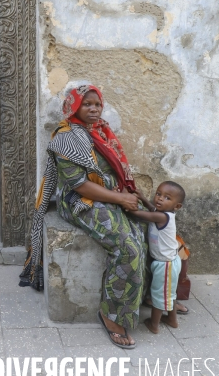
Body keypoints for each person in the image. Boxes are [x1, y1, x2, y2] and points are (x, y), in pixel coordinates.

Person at [20, 84, 147, 349]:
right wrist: (121, 199)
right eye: (86, 104)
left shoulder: (101, 131)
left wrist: (126, 192)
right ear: (73, 106)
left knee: (141, 231)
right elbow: (79, 184)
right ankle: (111, 314)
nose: (93, 109)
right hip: (79, 200)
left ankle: (152, 299)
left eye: (97, 104)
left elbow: (115, 169)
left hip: (108, 194)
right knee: (128, 249)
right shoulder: (66, 138)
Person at [130, 182, 186, 334]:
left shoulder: (162, 216)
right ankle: (172, 320)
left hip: (165, 265)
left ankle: (154, 325)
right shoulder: (162, 213)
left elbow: (139, 215)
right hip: (168, 262)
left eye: (167, 198)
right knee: (169, 294)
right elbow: (152, 209)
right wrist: (143, 198)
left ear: (177, 206)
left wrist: (124, 203)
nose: (160, 199)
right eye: (158, 194)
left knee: (159, 296)